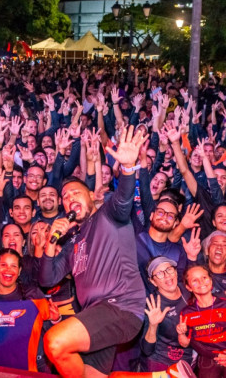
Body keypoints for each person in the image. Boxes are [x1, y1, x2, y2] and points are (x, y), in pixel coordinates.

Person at [38, 126, 148, 377]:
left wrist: (129, 168)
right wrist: (51, 244)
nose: (69, 198)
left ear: (91, 196)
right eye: (64, 197)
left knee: (55, 342)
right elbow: (47, 280)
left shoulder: (106, 215)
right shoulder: (73, 241)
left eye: (76, 192)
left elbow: (123, 201)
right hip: (95, 314)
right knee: (86, 372)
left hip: (120, 306)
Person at [176, 265, 226, 378]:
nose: (201, 282)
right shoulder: (187, 313)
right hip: (207, 358)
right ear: (188, 287)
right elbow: (185, 343)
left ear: (210, 280)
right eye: (195, 280)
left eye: (204, 277)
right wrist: (181, 333)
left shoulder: (225, 304)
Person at [140, 256, 193, 372]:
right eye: (159, 273)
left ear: (175, 271)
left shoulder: (188, 290)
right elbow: (146, 350)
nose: (167, 275)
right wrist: (153, 325)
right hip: (160, 362)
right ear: (153, 281)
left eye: (169, 269)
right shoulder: (152, 305)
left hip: (187, 360)